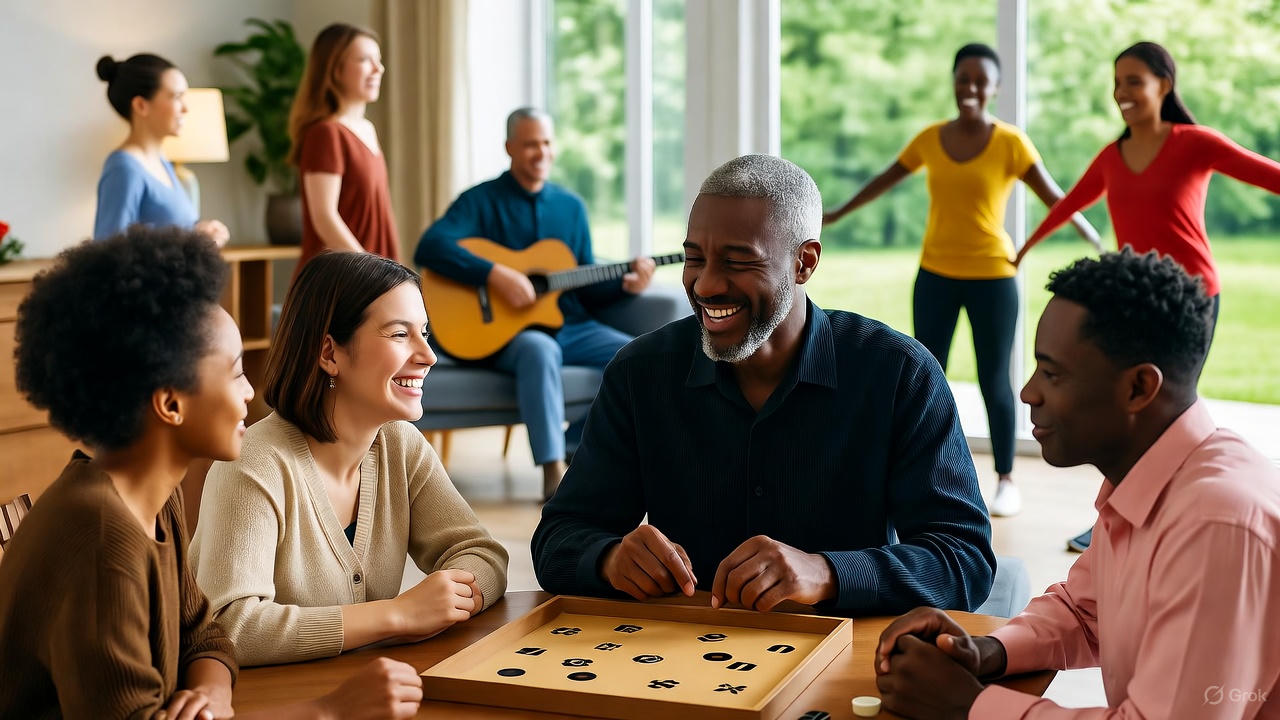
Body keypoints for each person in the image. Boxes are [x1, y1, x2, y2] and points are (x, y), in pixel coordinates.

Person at [531, 154, 995, 615]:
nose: (706, 285)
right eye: (695, 259)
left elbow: (964, 560)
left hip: (843, 660)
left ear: (804, 262)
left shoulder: (899, 374)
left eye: (737, 262)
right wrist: (609, 559)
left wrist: (826, 573)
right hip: (679, 657)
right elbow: (558, 537)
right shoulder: (639, 372)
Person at [1, 227, 426, 719]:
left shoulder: (153, 496)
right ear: (171, 403)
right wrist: (329, 711)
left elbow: (205, 634)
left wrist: (210, 694)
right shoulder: (103, 537)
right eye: (236, 372)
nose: (251, 392)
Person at [873, 250, 1280, 719]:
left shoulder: (1217, 523)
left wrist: (971, 706)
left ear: (1138, 388)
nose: (1028, 392)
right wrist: (984, 650)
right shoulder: (1152, 479)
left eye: (1051, 373)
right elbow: (1084, 615)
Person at [1014, 41, 1280, 552]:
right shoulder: (1113, 156)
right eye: (1117, 83)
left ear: (1165, 85)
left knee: (1167, 416)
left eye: (1134, 81)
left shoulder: (1194, 143)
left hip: (1192, 299)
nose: (1122, 93)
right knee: (1125, 419)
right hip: (1133, 308)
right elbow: (1070, 202)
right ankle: (1114, 522)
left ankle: (1186, 519)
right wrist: (1024, 248)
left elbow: (1265, 173)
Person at [191, 251, 508, 667]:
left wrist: (452, 596)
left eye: (424, 334)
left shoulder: (399, 444)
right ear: (330, 353)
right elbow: (230, 627)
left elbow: (483, 554)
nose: (428, 355)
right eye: (399, 335)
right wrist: (397, 615)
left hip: (364, 693)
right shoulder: (253, 463)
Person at [823, 43, 1100, 519]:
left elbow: (1056, 198)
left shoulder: (1011, 142)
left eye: (980, 80)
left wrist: (1050, 243)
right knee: (924, 375)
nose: (969, 87)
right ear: (953, 82)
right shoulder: (930, 138)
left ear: (994, 88)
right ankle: (919, 474)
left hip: (992, 277)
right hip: (935, 275)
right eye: (962, 78)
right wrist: (833, 214)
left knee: (996, 379)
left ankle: (1006, 478)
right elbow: (882, 181)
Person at [415, 107, 656, 499]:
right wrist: (496, 275)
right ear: (510, 148)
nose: (540, 152)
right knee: (540, 349)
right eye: (530, 144)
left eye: (546, 143)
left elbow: (579, 284)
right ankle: (551, 472)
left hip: (570, 325)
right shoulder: (480, 201)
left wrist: (626, 285)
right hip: (511, 335)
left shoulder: (571, 207)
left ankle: (575, 446)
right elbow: (431, 246)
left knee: (639, 356)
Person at [289, 24, 400, 271]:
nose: (378, 69)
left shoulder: (367, 129)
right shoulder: (326, 134)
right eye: (364, 60)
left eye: (378, 60)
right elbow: (324, 218)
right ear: (334, 69)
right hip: (341, 279)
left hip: (370, 272)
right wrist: (369, 271)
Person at [93, 54, 230, 245]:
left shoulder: (162, 162)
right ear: (141, 105)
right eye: (177, 97)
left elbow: (164, 233)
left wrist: (199, 232)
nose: (186, 109)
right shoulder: (123, 169)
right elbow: (108, 255)